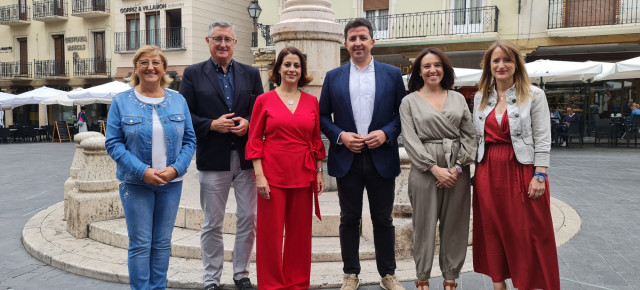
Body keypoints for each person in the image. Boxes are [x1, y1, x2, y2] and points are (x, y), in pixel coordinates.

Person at [319, 18, 406, 290]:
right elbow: (322, 116)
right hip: (348, 158)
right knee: (349, 219)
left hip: (382, 156)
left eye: (363, 37)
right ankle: (351, 274)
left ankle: (388, 274)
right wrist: (340, 136)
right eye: (353, 38)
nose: (358, 42)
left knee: (383, 219)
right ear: (346, 43)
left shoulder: (391, 74)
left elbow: (401, 114)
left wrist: (386, 133)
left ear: (372, 42)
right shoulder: (333, 77)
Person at [179, 20, 263, 290]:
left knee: (248, 219)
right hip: (213, 159)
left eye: (227, 39)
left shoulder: (251, 73)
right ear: (208, 41)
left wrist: (249, 123)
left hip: (246, 158)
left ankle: (241, 274)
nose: (223, 44)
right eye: (217, 39)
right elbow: (184, 115)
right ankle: (211, 279)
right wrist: (211, 125)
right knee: (212, 223)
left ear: (235, 42)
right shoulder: (193, 73)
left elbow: (261, 111)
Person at [105, 45, 196, 290]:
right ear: (135, 68)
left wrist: (176, 169)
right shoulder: (121, 102)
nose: (150, 67)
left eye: (156, 62)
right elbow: (113, 143)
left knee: (163, 243)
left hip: (170, 183)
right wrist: (141, 171)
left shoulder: (178, 100)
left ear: (164, 68)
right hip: (136, 184)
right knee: (141, 243)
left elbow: (190, 140)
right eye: (144, 62)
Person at [472, 40, 560, 290]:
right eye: (496, 60)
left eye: (507, 60)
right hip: (487, 171)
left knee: (526, 233)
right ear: (488, 66)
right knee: (492, 229)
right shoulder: (480, 97)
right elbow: (474, 138)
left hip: (522, 169)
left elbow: (543, 137)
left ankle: (528, 284)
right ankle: (499, 284)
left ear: (516, 64)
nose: (501, 65)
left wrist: (540, 174)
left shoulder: (534, 94)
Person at [245, 46, 326, 290]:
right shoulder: (264, 100)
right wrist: (259, 176)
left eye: (297, 65)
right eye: (287, 64)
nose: (292, 69)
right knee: (269, 235)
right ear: (278, 68)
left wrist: (319, 172)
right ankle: (271, 285)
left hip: (304, 173)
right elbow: (254, 140)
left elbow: (315, 140)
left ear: (302, 71)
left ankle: (297, 283)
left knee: (300, 235)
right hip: (272, 174)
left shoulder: (312, 101)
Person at [399, 48, 476, 290]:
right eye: (426, 66)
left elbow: (470, 136)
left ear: (445, 69)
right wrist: (434, 169)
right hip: (424, 171)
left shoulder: (458, 98)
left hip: (457, 171)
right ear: (419, 72)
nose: (432, 70)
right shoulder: (408, 101)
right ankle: (422, 278)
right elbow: (409, 140)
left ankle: (450, 278)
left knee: (455, 225)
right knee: (424, 225)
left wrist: (456, 167)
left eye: (437, 65)